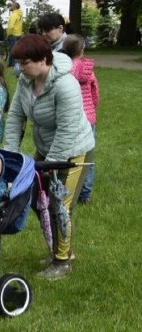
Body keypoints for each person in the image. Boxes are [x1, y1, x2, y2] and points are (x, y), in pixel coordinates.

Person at [4, 34, 95, 280]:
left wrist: (50, 164)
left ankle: (63, 261)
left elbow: (67, 130)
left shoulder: (66, 85)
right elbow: (15, 118)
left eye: (25, 63)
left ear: (43, 59)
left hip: (74, 149)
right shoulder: (25, 80)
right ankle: (57, 248)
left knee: (59, 204)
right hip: (46, 148)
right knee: (36, 199)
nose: (20, 68)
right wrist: (10, 157)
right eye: (19, 63)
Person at [65, 34, 99, 204]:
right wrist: (93, 107)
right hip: (88, 116)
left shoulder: (65, 69)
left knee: (70, 155)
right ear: (82, 49)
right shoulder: (88, 70)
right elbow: (95, 93)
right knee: (88, 157)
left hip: (72, 117)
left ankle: (68, 189)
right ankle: (85, 194)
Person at [6, 1, 23, 73]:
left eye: (12, 6)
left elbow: (11, 26)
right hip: (18, 34)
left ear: (15, 7)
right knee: (14, 50)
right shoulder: (20, 15)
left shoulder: (14, 15)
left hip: (13, 34)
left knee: (13, 50)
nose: (10, 7)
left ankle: (13, 65)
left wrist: (8, 34)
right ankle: (10, 64)